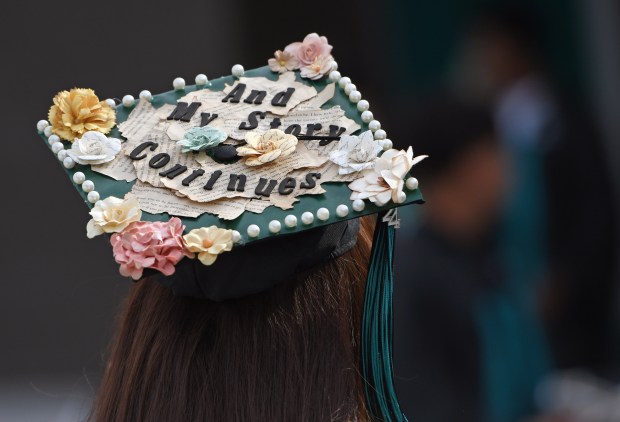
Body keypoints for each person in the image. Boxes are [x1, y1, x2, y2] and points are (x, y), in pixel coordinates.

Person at [393, 98, 550, 422]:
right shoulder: (412, 278)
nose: (509, 168)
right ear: (470, 166)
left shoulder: (492, 256)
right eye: (497, 153)